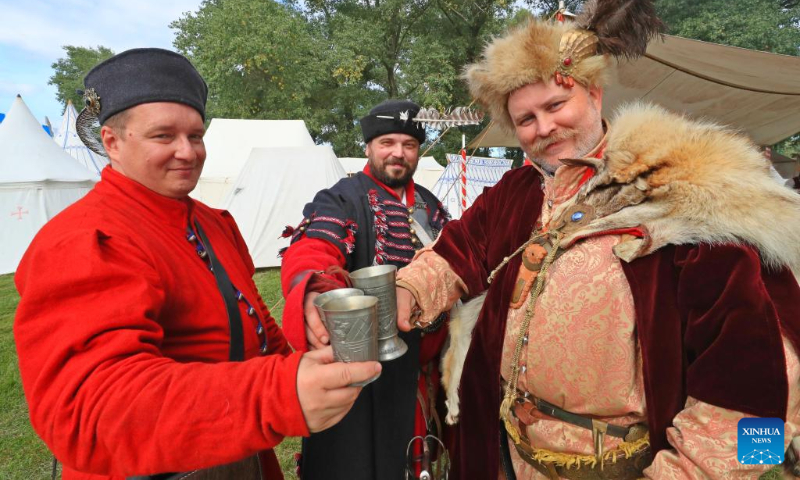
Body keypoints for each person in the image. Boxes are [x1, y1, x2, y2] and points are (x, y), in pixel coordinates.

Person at [393, 2, 800, 479]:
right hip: (510, 454)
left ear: (594, 93)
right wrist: (409, 289)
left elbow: (760, 393)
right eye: (525, 119)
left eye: (555, 106)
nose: (543, 128)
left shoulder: (681, 193)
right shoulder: (517, 193)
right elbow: (457, 251)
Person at [13, 48, 380, 480]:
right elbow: (88, 412)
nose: (187, 152)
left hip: (239, 461)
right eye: (163, 136)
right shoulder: (85, 239)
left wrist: (307, 356)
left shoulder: (213, 223)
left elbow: (253, 327)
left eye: (196, 135)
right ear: (111, 141)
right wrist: (277, 394)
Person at [280, 99, 450, 480]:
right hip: (366, 381)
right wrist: (313, 287)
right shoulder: (342, 198)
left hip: (424, 375)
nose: (398, 153)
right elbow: (315, 247)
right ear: (368, 147)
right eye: (387, 142)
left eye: (408, 145)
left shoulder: (431, 205)